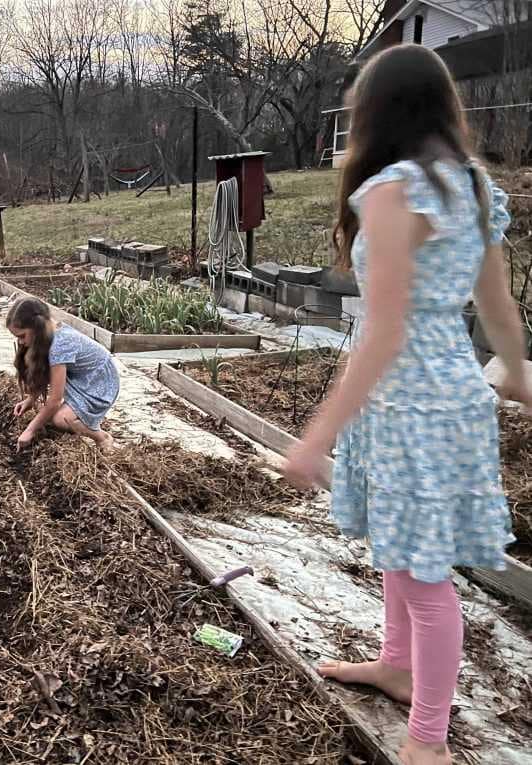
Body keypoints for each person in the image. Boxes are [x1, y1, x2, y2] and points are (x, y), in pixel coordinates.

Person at [282, 44, 530, 765]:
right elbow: (499, 310)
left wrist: (316, 436)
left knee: (428, 582)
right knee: (404, 550)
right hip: (447, 395)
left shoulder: (393, 193)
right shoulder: (471, 187)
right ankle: (396, 665)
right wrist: (514, 373)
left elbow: (385, 331)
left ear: (375, 113)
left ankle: (430, 738)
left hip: (410, 405)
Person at [6, 296, 119, 452]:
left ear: (37, 327)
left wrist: (29, 431)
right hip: (83, 378)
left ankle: (102, 437)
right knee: (52, 417)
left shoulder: (60, 346)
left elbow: (55, 400)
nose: (20, 342)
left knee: (61, 419)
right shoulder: (49, 333)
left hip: (99, 381)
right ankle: (82, 418)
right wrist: (31, 399)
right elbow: (47, 373)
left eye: (22, 336)